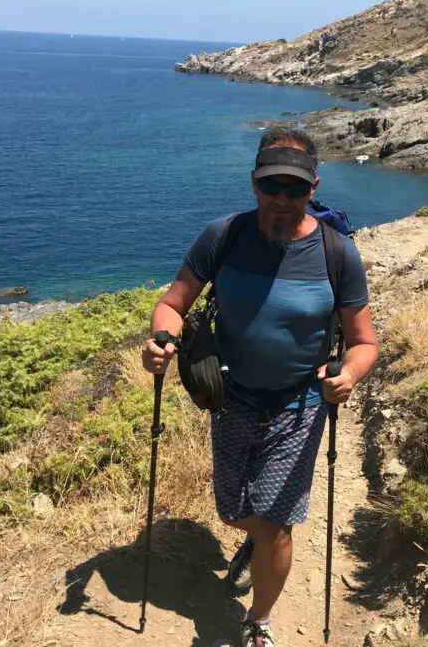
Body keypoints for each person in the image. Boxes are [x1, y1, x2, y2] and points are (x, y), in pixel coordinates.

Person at [141, 126, 379, 647]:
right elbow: (174, 303)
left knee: (276, 524)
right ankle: (254, 539)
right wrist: (161, 338)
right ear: (254, 184)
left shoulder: (338, 254)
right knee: (233, 509)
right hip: (230, 397)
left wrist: (349, 375)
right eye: (272, 186)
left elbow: (364, 342)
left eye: (295, 189)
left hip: (299, 406)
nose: (282, 199)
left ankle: (259, 621)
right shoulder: (223, 236)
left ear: (313, 188)